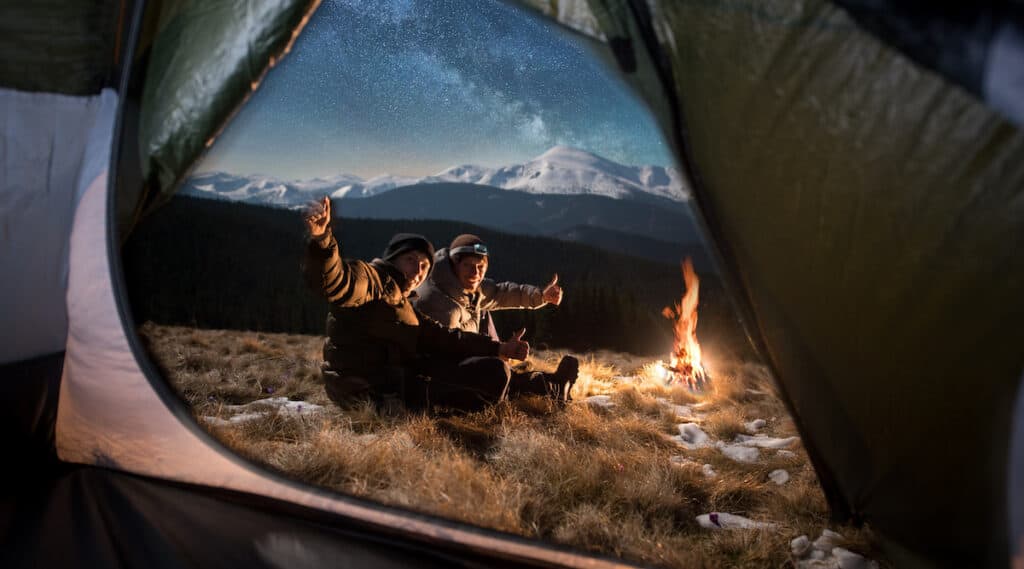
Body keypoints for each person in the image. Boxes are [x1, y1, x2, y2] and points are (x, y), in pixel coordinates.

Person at [302, 196, 529, 413]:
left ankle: (538, 385)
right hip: (365, 389)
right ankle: (436, 417)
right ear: (393, 259)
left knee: (485, 367)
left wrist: (498, 348)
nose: (418, 271)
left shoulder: (402, 301)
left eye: (424, 265)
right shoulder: (373, 280)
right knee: (491, 373)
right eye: (410, 260)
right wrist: (322, 241)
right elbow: (337, 281)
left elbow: (442, 336)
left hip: (390, 382)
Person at [414, 233, 579, 401]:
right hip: (442, 374)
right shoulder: (438, 302)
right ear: (454, 264)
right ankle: (548, 387)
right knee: (498, 374)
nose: (475, 272)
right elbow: (452, 346)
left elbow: (502, 293)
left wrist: (541, 296)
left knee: (483, 313)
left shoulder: (466, 288)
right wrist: (499, 349)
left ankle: (549, 386)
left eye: (480, 267)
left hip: (466, 355)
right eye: (468, 265)